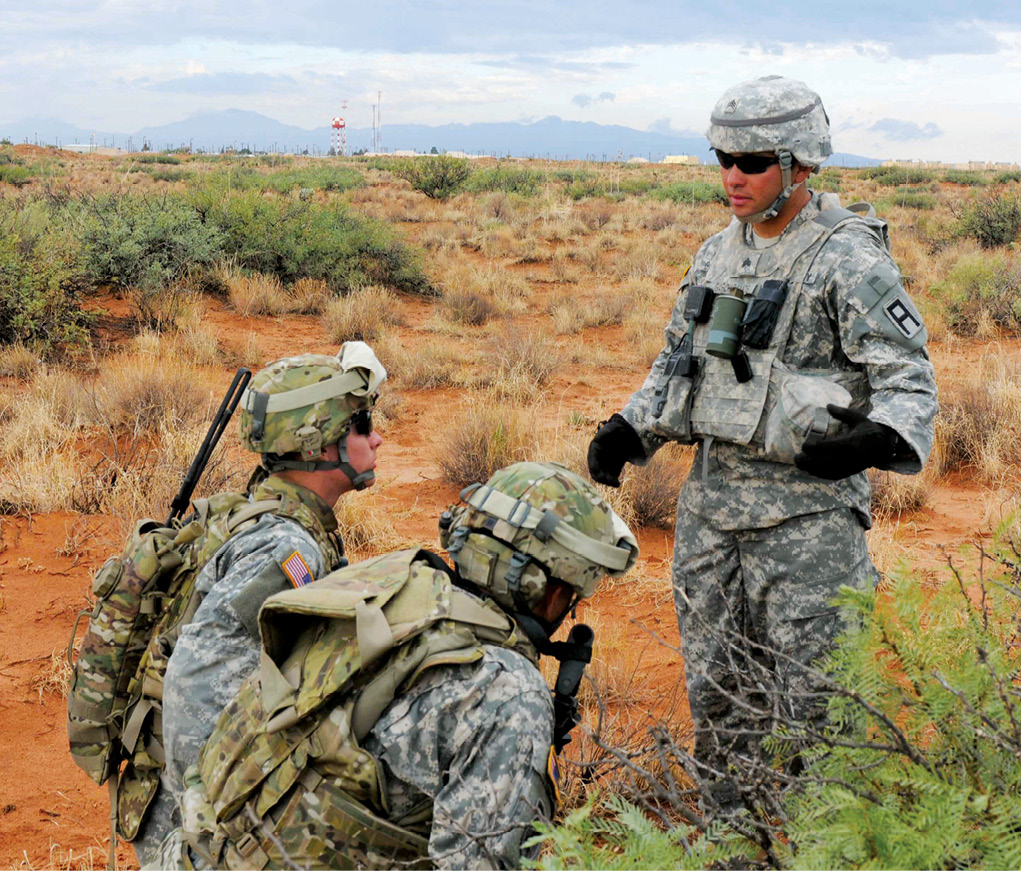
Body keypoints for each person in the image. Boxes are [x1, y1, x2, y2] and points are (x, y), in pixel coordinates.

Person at [588, 76, 938, 811]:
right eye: (721, 158)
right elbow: (679, 362)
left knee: (819, 708)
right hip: (712, 517)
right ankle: (734, 844)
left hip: (805, 525)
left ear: (799, 162)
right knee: (719, 699)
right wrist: (630, 427)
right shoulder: (717, 253)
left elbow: (905, 373)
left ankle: (821, 846)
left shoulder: (846, 256)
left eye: (750, 159)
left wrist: (872, 439)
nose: (732, 176)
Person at [161, 461, 638, 870]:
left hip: (195, 847)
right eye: (574, 593)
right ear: (550, 589)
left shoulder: (388, 582)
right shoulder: (508, 694)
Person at [133, 342, 387, 865]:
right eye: (361, 427)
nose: (376, 438)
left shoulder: (273, 512)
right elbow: (199, 679)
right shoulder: (287, 548)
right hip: (193, 817)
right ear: (318, 442)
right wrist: (209, 829)